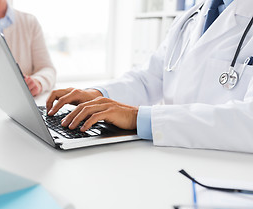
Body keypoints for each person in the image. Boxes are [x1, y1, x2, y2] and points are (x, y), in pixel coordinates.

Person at [46, 0, 253, 153]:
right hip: (172, 152)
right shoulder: (192, 17)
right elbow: (150, 77)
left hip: (227, 167)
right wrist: (97, 94)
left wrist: (138, 117)